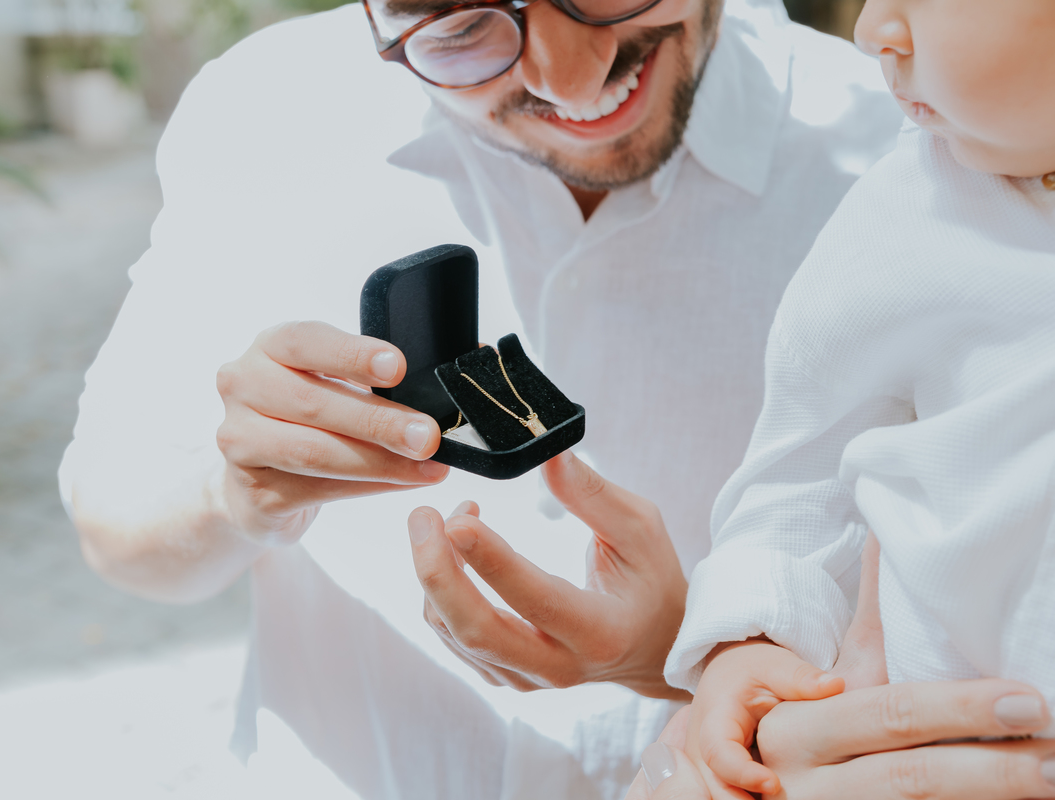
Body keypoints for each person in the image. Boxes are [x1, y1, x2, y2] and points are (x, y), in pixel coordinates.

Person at [57, 0, 1046, 795]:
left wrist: (686, 652)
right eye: (460, 24)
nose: (570, 80)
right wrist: (241, 490)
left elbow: (959, 597)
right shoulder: (265, 110)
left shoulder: (929, 144)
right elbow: (116, 531)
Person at [657, 0, 1055, 796]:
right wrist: (758, 642)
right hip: (943, 746)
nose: (876, 28)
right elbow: (803, 464)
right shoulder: (921, 200)